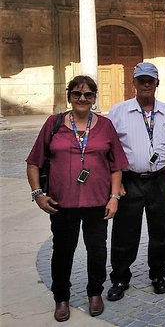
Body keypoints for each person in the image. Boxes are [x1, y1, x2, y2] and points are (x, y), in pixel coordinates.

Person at [26, 76, 127, 322]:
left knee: (97, 250)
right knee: (62, 251)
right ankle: (61, 297)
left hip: (97, 202)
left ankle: (95, 292)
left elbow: (116, 166)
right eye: (77, 94)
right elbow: (33, 162)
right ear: (69, 96)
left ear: (94, 98)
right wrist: (38, 194)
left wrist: (114, 197)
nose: (82, 98)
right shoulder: (54, 123)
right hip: (62, 203)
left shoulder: (105, 125)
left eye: (88, 94)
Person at [106, 62, 165, 301]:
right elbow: (109, 150)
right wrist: (115, 183)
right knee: (125, 231)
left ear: (156, 84)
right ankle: (120, 277)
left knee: (162, 229)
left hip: (161, 178)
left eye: (150, 80)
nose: (145, 84)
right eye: (141, 80)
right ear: (133, 83)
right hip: (129, 179)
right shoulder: (118, 112)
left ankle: (159, 273)